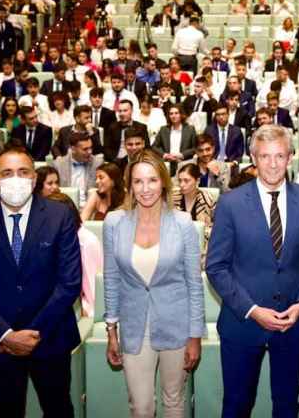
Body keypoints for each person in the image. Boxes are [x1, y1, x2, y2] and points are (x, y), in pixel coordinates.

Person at [205, 124, 299, 418]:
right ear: (254, 159)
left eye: (280, 156)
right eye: (265, 156)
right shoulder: (230, 203)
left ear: (290, 158)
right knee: (236, 406)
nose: (273, 164)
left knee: (287, 407)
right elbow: (216, 266)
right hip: (243, 323)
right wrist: (253, 310)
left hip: (292, 323)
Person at [0, 145, 82, 418]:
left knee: (59, 410)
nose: (16, 179)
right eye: (7, 173)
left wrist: (32, 334)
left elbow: (69, 283)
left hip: (49, 338)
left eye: (23, 172)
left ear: (34, 179)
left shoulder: (59, 216)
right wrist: (7, 335)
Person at [103, 149, 204, 417]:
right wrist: (111, 331)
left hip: (177, 325)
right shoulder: (114, 222)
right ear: (129, 185)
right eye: (138, 181)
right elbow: (111, 279)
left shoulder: (183, 223)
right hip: (134, 326)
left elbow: (194, 285)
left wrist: (195, 335)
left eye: (152, 180)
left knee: (174, 400)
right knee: (141, 406)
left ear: (163, 182)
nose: (145, 188)